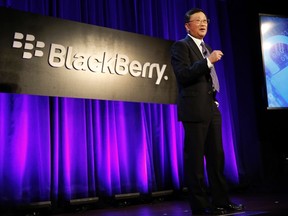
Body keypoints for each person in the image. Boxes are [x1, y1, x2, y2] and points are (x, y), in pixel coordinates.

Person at [170, 8, 244, 215]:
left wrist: (214, 99)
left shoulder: (206, 46)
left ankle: (222, 202)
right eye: (198, 21)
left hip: (211, 108)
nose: (203, 24)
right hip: (193, 110)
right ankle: (200, 207)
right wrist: (208, 61)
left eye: (206, 20)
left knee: (217, 158)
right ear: (187, 26)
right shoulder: (181, 46)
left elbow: (206, 80)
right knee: (195, 162)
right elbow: (183, 75)